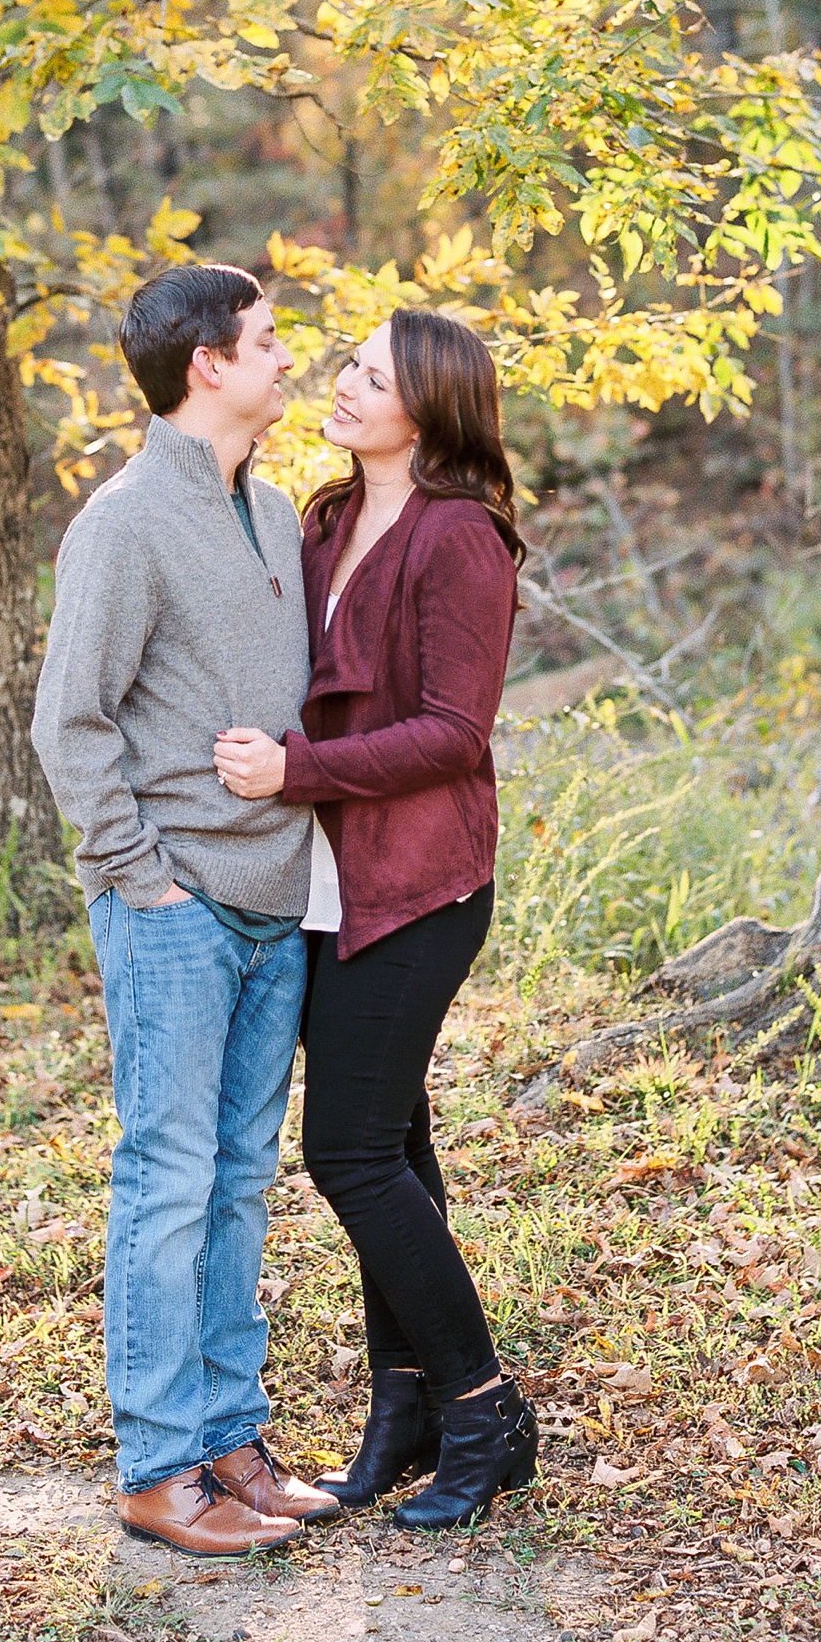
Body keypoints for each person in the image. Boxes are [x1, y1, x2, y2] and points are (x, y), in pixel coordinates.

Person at [31, 264, 342, 1559]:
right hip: (177, 911)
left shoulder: (270, 505)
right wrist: (140, 873)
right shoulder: (122, 520)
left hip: (277, 902)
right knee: (166, 1180)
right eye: (268, 338)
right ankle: (158, 1466)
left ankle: (229, 1439)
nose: (287, 355)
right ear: (207, 363)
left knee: (236, 1183)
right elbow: (71, 720)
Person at [213, 307, 538, 1530]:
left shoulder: (460, 539)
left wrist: (292, 771)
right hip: (330, 883)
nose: (345, 387)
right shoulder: (327, 519)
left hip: (421, 884)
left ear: (431, 410)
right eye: (348, 366)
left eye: (374, 378)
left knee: (346, 1152)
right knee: (394, 1148)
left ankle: (485, 1405)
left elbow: (457, 732)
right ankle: (404, 1411)